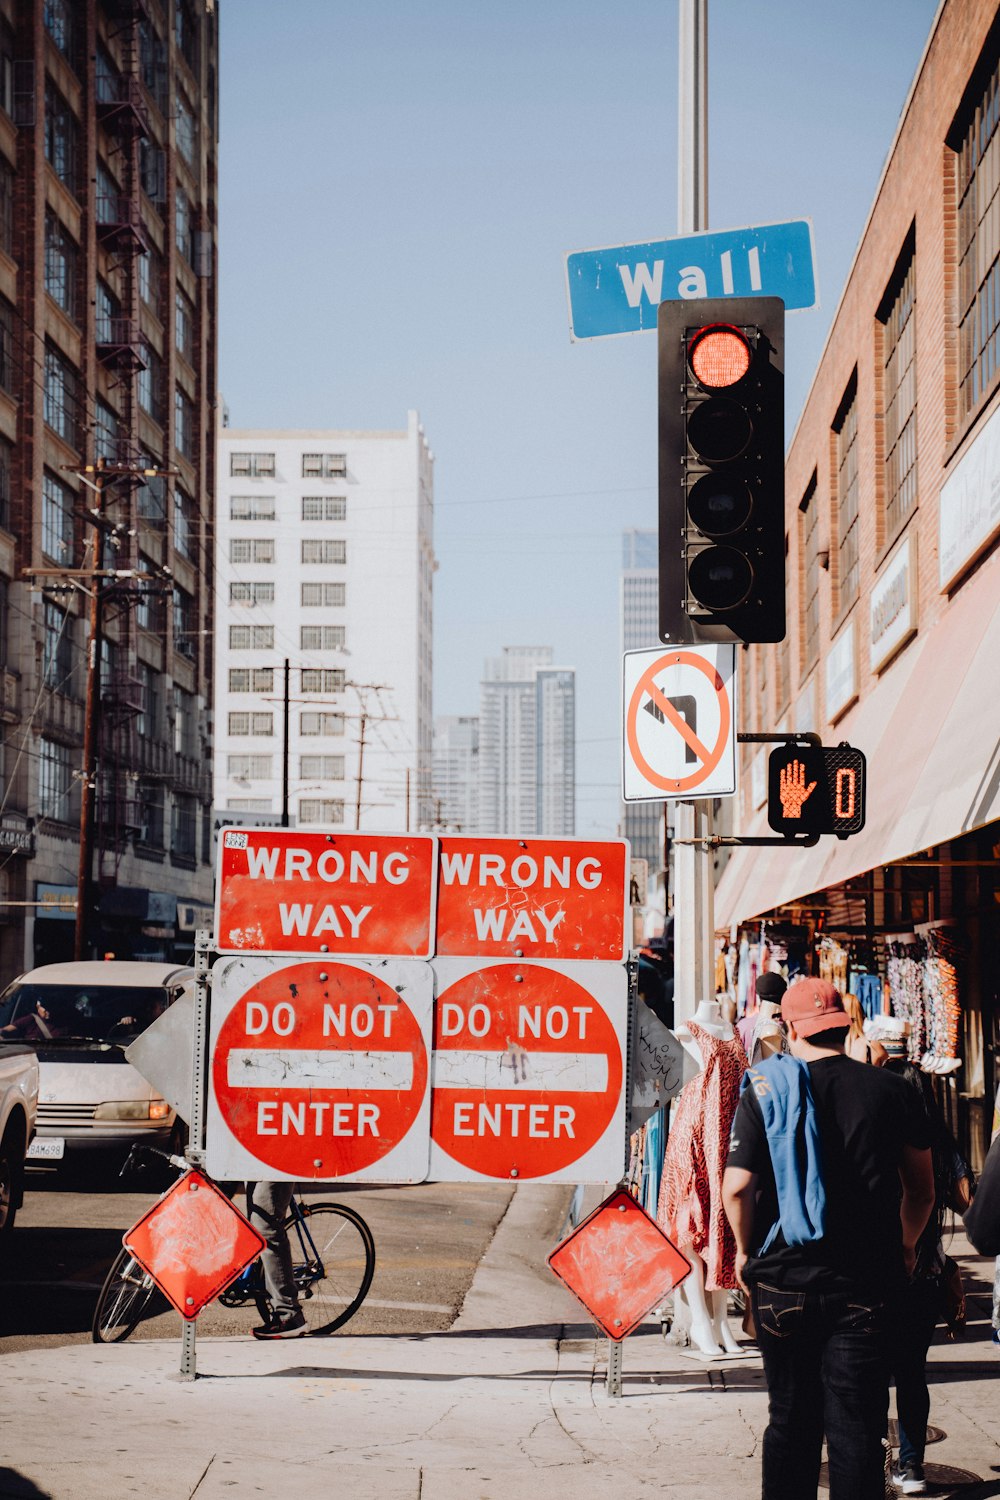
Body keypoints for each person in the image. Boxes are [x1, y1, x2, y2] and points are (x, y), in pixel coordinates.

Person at [722, 978, 935, 1500]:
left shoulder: (764, 1087)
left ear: (790, 1027)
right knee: (857, 1427)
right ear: (843, 1025)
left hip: (783, 1280)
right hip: (866, 1283)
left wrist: (747, 1255)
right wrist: (905, 1246)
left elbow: (737, 1189)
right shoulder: (893, 1089)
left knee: (790, 1420)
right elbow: (922, 1192)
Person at [882, 1057, 971, 1495]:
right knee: (913, 1372)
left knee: (872, 1371)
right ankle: (912, 1466)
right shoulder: (940, 1140)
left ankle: (872, 1460)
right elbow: (966, 1201)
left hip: (880, 1270)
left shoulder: (876, 1135)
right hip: (927, 1272)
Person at [246, 1182, 306, 1338]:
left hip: (276, 1161)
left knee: (266, 1227)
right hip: (253, 1160)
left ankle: (290, 1314)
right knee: (254, 1224)